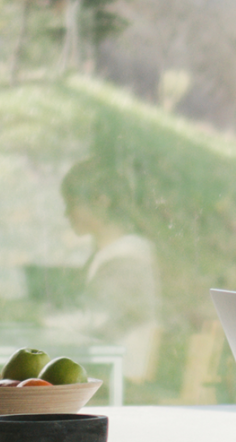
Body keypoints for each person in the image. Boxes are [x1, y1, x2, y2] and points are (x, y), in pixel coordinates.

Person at [57, 157, 162, 385]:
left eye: (72, 203)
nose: (67, 214)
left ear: (101, 201)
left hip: (123, 380)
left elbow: (96, 319)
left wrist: (40, 320)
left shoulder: (128, 256)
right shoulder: (107, 253)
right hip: (106, 370)